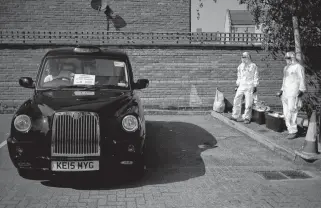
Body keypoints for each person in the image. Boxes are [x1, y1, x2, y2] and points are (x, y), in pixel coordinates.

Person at [277, 51, 306, 139]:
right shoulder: (286, 68)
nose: (286, 60)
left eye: (288, 58)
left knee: (292, 110)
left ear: (292, 58)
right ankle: (290, 129)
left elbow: (302, 79)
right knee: (286, 113)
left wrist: (301, 90)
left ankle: (293, 131)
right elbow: (284, 80)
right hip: (285, 92)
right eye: (286, 58)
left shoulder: (298, 67)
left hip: (294, 92)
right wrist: (281, 90)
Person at [230, 52, 259, 124]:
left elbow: (256, 76)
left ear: (248, 58)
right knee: (236, 100)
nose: (243, 59)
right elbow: (239, 76)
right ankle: (235, 115)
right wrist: (237, 85)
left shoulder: (253, 66)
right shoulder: (240, 66)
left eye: (244, 57)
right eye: (242, 57)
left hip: (249, 86)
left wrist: (255, 85)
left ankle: (247, 117)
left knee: (248, 103)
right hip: (241, 85)